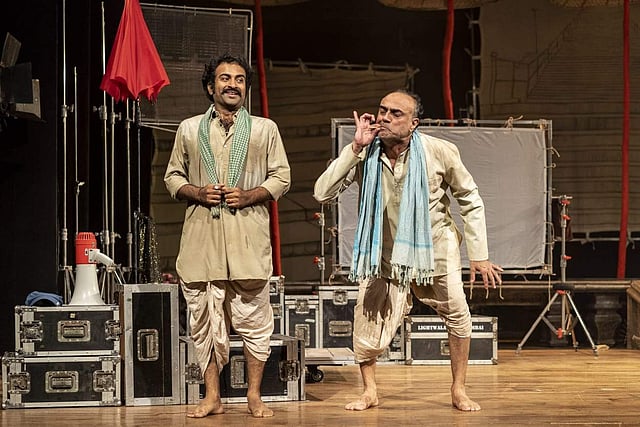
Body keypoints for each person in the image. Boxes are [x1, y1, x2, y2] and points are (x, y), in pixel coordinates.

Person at [313, 89, 502, 412]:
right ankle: (370, 391)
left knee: (458, 315)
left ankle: (458, 389)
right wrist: (355, 148)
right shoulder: (365, 153)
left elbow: (470, 199)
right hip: (383, 255)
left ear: (414, 123)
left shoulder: (439, 151)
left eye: (396, 113)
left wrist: (479, 255)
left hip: (435, 250)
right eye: (382, 110)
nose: (385, 117)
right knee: (367, 319)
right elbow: (322, 193)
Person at [164, 53, 291, 418]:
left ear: (245, 88)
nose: (232, 84)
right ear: (211, 87)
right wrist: (197, 191)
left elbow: (281, 177)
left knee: (255, 322)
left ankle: (254, 395)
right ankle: (212, 396)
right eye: (224, 78)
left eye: (239, 79)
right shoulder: (189, 129)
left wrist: (250, 195)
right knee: (203, 322)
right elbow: (172, 177)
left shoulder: (265, 129)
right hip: (202, 241)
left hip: (247, 239)